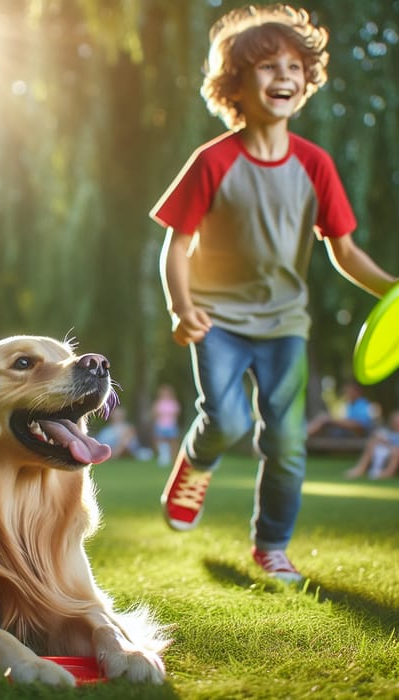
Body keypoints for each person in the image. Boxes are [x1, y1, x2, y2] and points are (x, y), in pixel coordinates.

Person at [149, 4, 397, 583]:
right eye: (265, 66)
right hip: (217, 320)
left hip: (285, 324)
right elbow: (175, 245)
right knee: (227, 420)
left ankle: (272, 545)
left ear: (306, 81)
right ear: (235, 83)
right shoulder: (212, 161)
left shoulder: (316, 165)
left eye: (292, 66)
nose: (282, 76)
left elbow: (345, 251)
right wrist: (182, 309)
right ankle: (196, 459)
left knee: (287, 441)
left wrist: (391, 290)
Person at [307, 380, 375, 438]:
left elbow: (360, 425)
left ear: (357, 391)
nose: (347, 393)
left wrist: (334, 421)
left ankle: (303, 434)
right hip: (346, 433)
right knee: (323, 419)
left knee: (324, 419)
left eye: (349, 391)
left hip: (355, 435)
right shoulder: (351, 405)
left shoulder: (362, 403)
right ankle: (305, 433)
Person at [344, 410, 399, 480]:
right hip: (388, 449)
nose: (397, 424)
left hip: (396, 451)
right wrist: (382, 440)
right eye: (396, 422)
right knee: (372, 442)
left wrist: (389, 445)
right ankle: (361, 469)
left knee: (396, 451)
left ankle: (388, 472)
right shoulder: (389, 433)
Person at [152, 384, 181, 467]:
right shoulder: (158, 403)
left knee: (173, 442)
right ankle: (164, 457)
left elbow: (176, 414)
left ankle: (174, 459)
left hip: (171, 425)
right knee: (160, 442)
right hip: (160, 425)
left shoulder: (173, 403)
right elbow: (155, 414)